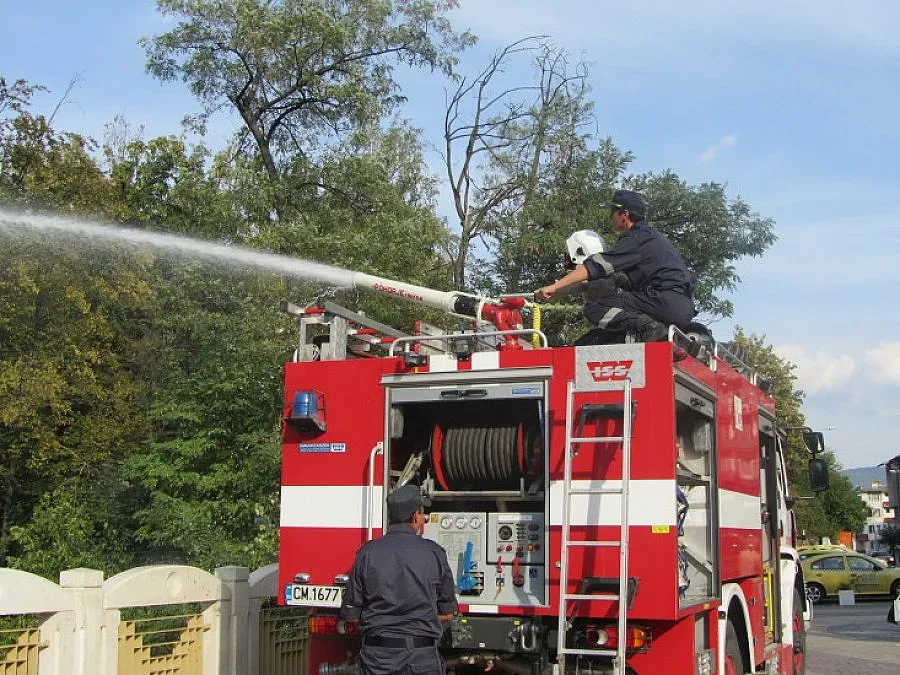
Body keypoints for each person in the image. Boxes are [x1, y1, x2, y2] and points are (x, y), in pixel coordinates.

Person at [535, 189, 696, 343]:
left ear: (624, 214)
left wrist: (554, 286)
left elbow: (595, 267)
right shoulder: (650, 236)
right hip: (682, 307)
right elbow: (603, 281)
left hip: (664, 302)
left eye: (613, 211)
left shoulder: (635, 239)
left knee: (596, 307)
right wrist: (555, 292)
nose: (610, 216)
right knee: (621, 304)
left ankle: (648, 327)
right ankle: (656, 331)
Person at [340, 484, 457, 674]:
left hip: (377, 659)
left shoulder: (367, 553)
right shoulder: (434, 553)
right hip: (421, 658)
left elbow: (351, 615)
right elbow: (448, 612)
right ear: (416, 516)